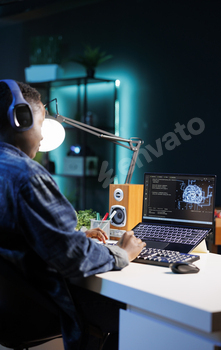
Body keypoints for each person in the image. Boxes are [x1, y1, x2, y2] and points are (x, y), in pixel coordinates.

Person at [0, 80, 146, 350]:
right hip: (37, 310)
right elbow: (72, 258)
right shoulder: (25, 176)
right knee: (140, 310)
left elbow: (16, 236)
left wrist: (73, 235)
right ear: (20, 118)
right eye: (41, 124)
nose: (43, 137)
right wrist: (122, 253)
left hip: (9, 310)